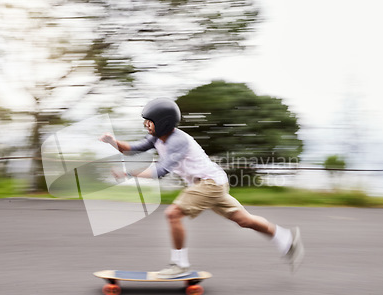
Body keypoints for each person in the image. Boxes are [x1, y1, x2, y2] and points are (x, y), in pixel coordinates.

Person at [100, 98, 304, 278]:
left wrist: (128, 173)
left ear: (163, 123)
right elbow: (132, 149)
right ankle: (285, 238)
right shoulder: (157, 138)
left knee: (173, 214)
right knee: (243, 220)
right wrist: (112, 142)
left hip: (209, 184)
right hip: (212, 183)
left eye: (149, 120)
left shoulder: (177, 141)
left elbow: (161, 171)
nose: (145, 124)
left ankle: (180, 265)